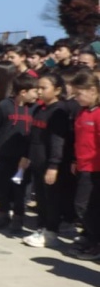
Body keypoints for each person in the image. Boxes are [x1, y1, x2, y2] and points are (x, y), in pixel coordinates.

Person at [22, 74, 74, 248]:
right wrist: (26, 156)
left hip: (50, 163)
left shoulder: (59, 111)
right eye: (38, 88)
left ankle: (51, 232)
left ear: (58, 90)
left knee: (51, 199)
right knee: (42, 200)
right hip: (37, 161)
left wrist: (53, 165)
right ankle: (41, 228)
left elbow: (57, 142)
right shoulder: (39, 109)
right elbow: (33, 137)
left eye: (44, 88)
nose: (39, 91)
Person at [0, 65, 36, 233]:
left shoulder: (35, 108)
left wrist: (28, 155)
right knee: (2, 187)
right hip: (4, 154)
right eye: (34, 91)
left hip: (23, 157)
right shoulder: (5, 105)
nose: (37, 94)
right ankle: (2, 215)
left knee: (20, 190)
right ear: (23, 92)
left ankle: (18, 218)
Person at [67, 71, 100, 259]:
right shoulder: (83, 111)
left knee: (83, 206)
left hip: (95, 168)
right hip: (82, 165)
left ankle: (96, 241)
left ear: (93, 90)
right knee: (85, 207)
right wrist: (74, 160)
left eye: (79, 93)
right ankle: (92, 238)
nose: (76, 97)